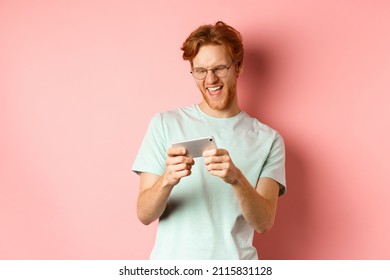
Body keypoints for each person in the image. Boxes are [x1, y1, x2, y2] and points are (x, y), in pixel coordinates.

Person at [132, 21, 286, 260]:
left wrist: (236, 179)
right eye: (200, 71)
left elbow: (264, 223)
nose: (210, 79)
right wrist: (167, 180)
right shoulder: (164, 124)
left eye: (219, 68)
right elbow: (144, 214)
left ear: (239, 67)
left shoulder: (269, 139)